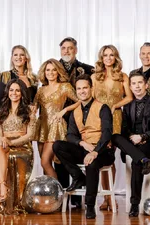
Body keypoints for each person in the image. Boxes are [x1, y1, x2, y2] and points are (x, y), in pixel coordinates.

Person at [53, 74, 115, 219]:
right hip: (85, 148)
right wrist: (82, 143)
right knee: (57, 146)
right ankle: (78, 176)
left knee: (92, 163)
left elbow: (107, 134)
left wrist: (95, 152)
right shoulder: (75, 111)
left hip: (104, 151)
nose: (82, 91)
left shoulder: (103, 108)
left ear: (91, 89)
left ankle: (90, 205)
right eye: (79, 89)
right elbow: (70, 135)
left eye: (85, 88)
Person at [111, 73, 150, 217]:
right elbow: (124, 129)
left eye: (140, 83)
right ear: (130, 87)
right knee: (115, 136)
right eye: (134, 83)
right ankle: (144, 160)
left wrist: (142, 137)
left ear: (146, 85)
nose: (137, 86)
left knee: (136, 162)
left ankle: (134, 205)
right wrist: (132, 138)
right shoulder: (127, 105)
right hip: (132, 143)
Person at [0, 79, 36, 216]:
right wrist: (3, 140)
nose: (14, 93)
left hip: (22, 146)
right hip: (5, 144)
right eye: (11, 90)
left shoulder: (29, 110)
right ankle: (3, 186)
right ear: (7, 92)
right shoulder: (3, 110)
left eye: (17, 90)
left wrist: (11, 142)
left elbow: (30, 135)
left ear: (22, 93)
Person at [91, 45, 132, 211]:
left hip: (115, 118)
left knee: (110, 157)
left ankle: (110, 197)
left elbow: (129, 97)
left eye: (111, 55)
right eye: (105, 55)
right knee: (101, 155)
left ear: (116, 57)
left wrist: (116, 105)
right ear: (101, 58)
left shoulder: (122, 76)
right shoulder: (95, 76)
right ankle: (107, 198)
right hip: (99, 119)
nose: (108, 58)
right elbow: (91, 98)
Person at [58, 37, 95, 208]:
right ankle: (62, 193)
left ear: (76, 50)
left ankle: (78, 199)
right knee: (60, 156)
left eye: (70, 48)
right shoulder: (53, 68)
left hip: (82, 117)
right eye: (64, 48)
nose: (66, 51)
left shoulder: (87, 69)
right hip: (60, 119)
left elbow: (92, 94)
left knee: (79, 151)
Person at [34, 59, 80, 178]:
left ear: (58, 72)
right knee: (45, 164)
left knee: (45, 161)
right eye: (48, 70)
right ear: (44, 72)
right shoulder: (41, 90)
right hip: (42, 127)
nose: (51, 72)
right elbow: (33, 108)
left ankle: (58, 194)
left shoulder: (65, 87)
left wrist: (64, 110)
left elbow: (80, 101)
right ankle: (50, 193)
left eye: (54, 70)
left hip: (56, 125)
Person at [0, 45, 38, 116]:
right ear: (12, 58)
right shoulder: (4, 76)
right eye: (15, 55)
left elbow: (34, 101)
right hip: (8, 117)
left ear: (26, 58)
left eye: (22, 55)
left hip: (27, 117)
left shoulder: (33, 78)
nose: (18, 57)